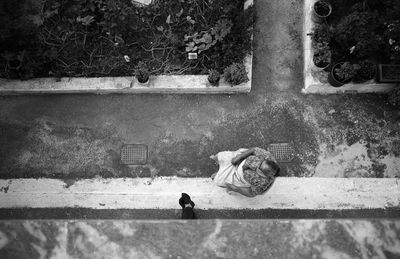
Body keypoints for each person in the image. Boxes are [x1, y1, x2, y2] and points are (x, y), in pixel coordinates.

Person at [210, 147, 280, 197]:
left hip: (238, 177)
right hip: (241, 160)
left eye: (259, 168)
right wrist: (240, 156)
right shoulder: (267, 156)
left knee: (216, 180)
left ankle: (218, 174)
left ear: (265, 174)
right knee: (219, 156)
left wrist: (236, 189)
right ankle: (219, 162)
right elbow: (254, 150)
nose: (258, 164)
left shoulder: (263, 183)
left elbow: (251, 193)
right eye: (261, 162)